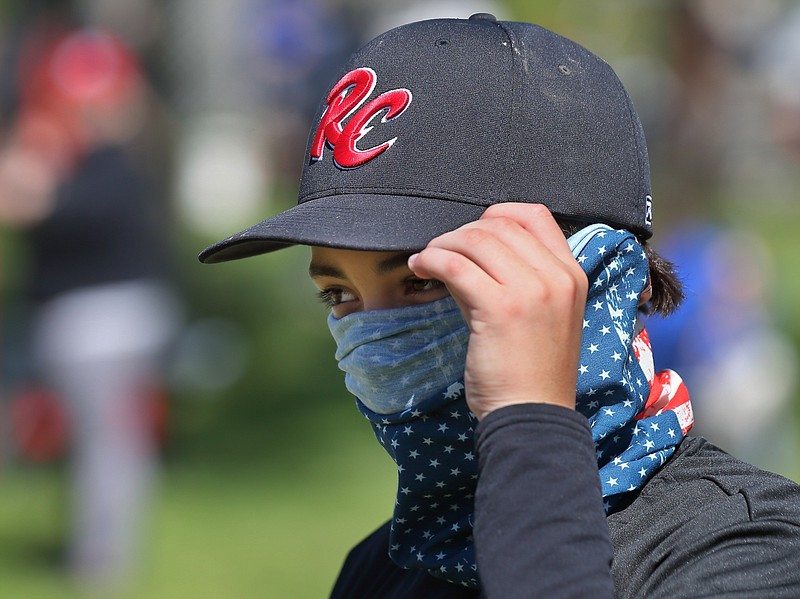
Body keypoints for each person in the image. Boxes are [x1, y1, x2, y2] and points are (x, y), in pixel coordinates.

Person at [199, 14, 800, 597]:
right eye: (339, 294)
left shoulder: (747, 552)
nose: (375, 339)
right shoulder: (387, 565)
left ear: (591, 275)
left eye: (424, 282)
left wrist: (530, 419)